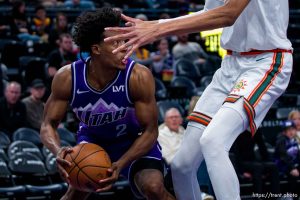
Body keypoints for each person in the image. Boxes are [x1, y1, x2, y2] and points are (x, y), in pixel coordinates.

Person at [104, 0, 293, 199]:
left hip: (266, 61)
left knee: (213, 142)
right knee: (181, 166)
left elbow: (228, 15)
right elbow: (209, 13)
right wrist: (156, 23)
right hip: (230, 64)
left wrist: (158, 28)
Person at [40, 8, 175, 200]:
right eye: (117, 43)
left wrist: (120, 163)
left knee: (154, 188)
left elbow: (151, 131)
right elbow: (48, 125)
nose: (125, 47)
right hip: (93, 143)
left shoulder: (138, 76)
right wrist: (58, 150)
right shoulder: (67, 77)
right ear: (96, 49)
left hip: (133, 142)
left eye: (124, 40)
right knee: (73, 195)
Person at [232, 130, 280, 194]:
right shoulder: (236, 131)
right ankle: (258, 196)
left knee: (273, 166)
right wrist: (241, 172)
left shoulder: (254, 129)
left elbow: (262, 147)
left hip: (254, 161)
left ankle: (276, 195)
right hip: (242, 163)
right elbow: (235, 155)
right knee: (258, 167)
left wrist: (267, 163)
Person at [274, 120, 300, 196]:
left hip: (293, 164)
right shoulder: (281, 141)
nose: (291, 132)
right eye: (288, 130)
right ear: (284, 132)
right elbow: (283, 156)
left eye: (292, 129)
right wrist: (292, 168)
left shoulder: (294, 140)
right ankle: (290, 195)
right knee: (293, 175)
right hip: (282, 166)